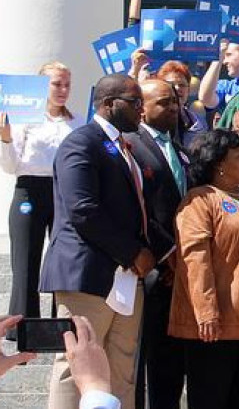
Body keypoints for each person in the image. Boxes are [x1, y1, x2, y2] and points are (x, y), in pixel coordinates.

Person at [40, 74, 155, 409]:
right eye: (135, 103)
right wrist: (133, 252)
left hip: (125, 278)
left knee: (121, 369)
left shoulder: (123, 147)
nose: (141, 111)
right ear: (108, 104)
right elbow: (82, 209)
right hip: (87, 274)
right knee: (75, 366)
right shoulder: (81, 142)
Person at [170, 129, 239, 409]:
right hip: (217, 322)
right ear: (219, 164)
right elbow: (194, 258)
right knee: (214, 397)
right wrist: (206, 312)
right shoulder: (199, 200)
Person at [126, 79, 188, 409]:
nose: (173, 108)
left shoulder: (179, 148)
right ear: (142, 108)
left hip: (179, 275)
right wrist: (167, 254)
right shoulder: (131, 145)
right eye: (164, 103)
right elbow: (139, 207)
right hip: (149, 268)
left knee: (168, 364)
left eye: (176, 102)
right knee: (138, 364)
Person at [0, 62, 76, 329]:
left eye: (67, 84)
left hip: (63, 192)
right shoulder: (23, 118)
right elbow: (11, 166)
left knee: (63, 260)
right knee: (26, 262)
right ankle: (23, 329)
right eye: (57, 84)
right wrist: (5, 139)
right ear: (42, 86)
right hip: (30, 190)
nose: (63, 90)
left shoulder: (75, 121)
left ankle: (62, 325)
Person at [156, 60, 208, 148]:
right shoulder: (153, 120)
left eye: (182, 85)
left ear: (188, 89)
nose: (177, 88)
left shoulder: (200, 123)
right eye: (171, 84)